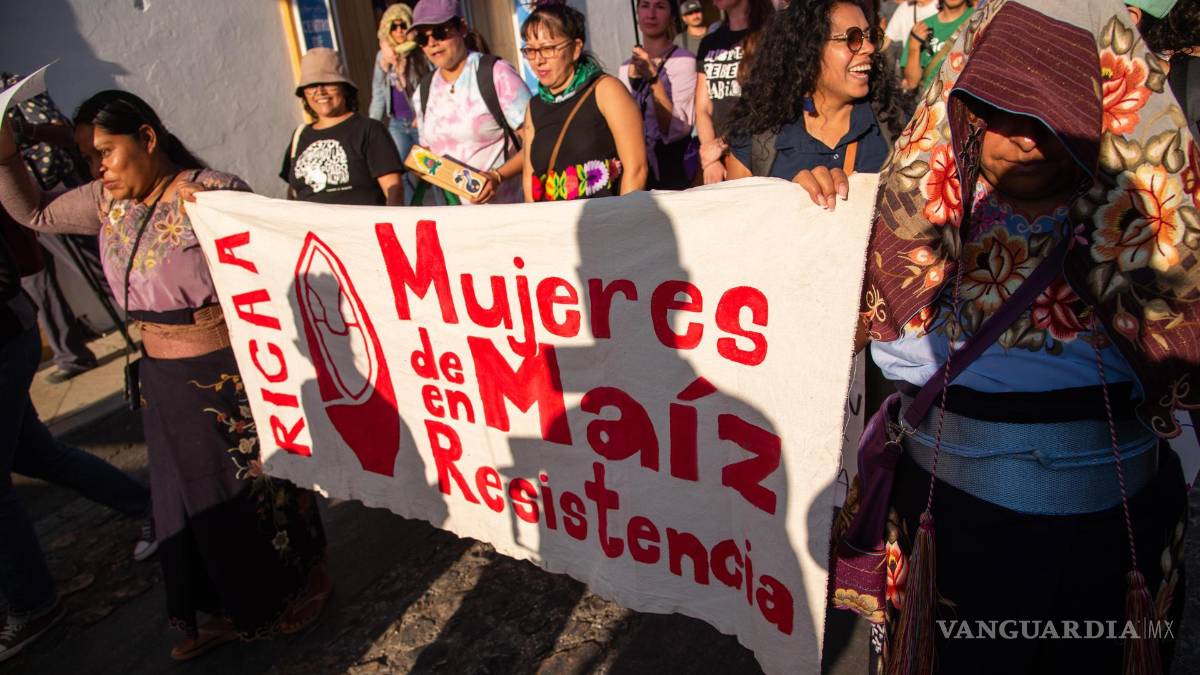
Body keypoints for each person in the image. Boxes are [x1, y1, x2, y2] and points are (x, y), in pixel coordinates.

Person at [833, 0, 1194, 670]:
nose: (1031, 135)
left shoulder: (1152, 237)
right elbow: (857, 334)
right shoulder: (918, 223)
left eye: (1060, 109)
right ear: (963, 99)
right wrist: (817, 215)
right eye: (1005, 103)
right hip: (957, 538)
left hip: (1108, 550)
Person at [0, 90, 330, 661]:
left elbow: (280, 266)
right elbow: (34, 213)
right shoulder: (106, 202)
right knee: (189, 502)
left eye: (106, 151)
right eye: (87, 157)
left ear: (147, 138)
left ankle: (300, 588)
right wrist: (5, 158)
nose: (97, 167)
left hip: (226, 376)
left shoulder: (212, 195)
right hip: (164, 380)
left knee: (253, 491)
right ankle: (229, 608)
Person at [0, 225, 154, 663]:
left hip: (5, 339)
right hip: (12, 334)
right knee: (35, 454)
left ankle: (33, 605)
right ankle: (150, 505)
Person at [726, 0, 905, 199]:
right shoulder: (756, 141)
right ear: (808, 48)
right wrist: (790, 201)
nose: (869, 48)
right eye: (852, 38)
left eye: (869, 36)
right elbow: (738, 225)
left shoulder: (897, 129)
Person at [520, 4, 647, 201]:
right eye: (530, 50)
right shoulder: (534, 106)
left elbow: (636, 169)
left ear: (576, 48)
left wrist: (621, 223)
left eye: (548, 49)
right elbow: (530, 178)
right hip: (552, 228)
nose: (538, 60)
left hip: (605, 224)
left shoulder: (606, 90)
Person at [409, 0, 531, 204]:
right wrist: (419, 167)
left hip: (503, 218)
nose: (432, 43)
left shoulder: (496, 74)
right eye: (423, 37)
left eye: (440, 32)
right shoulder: (423, 90)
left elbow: (537, 142)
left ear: (462, 28)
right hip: (452, 226)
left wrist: (497, 176)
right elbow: (427, 155)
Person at [282, 48, 405, 206]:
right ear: (304, 93)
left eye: (328, 83)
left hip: (361, 230)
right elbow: (293, 194)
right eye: (312, 86)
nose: (320, 91)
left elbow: (394, 190)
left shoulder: (369, 130)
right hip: (312, 230)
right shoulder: (299, 136)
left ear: (344, 87)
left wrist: (389, 227)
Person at [620, 0, 698, 189]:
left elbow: (675, 130)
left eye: (660, 7)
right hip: (637, 169)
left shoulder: (684, 61)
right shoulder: (625, 67)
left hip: (672, 168)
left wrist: (654, 80)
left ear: (672, 16)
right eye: (645, 6)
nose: (651, 14)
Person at [694, 0, 774, 184]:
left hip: (757, 157)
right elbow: (702, 107)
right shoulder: (709, 43)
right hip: (718, 159)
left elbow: (770, 106)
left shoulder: (770, 36)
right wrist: (710, 160)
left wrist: (721, 144)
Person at [370, 3, 430, 168]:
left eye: (403, 25)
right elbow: (378, 95)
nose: (399, 31)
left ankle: (441, 196)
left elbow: (434, 87)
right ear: (386, 29)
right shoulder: (382, 58)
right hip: (396, 123)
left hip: (420, 122)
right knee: (398, 170)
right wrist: (370, 127)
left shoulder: (421, 53)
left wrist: (424, 115)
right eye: (393, 27)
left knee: (432, 171)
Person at [900, 0, 971, 91]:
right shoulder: (923, 26)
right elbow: (912, 82)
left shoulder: (978, 21)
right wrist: (914, 47)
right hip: (928, 100)